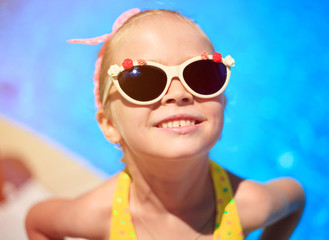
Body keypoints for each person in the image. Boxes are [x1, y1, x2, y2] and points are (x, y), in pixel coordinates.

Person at [25, 8, 305, 240]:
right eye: (143, 80)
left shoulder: (248, 205)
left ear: (222, 104)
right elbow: (37, 222)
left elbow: (296, 196)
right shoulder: (99, 215)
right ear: (109, 125)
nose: (179, 93)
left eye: (202, 75)